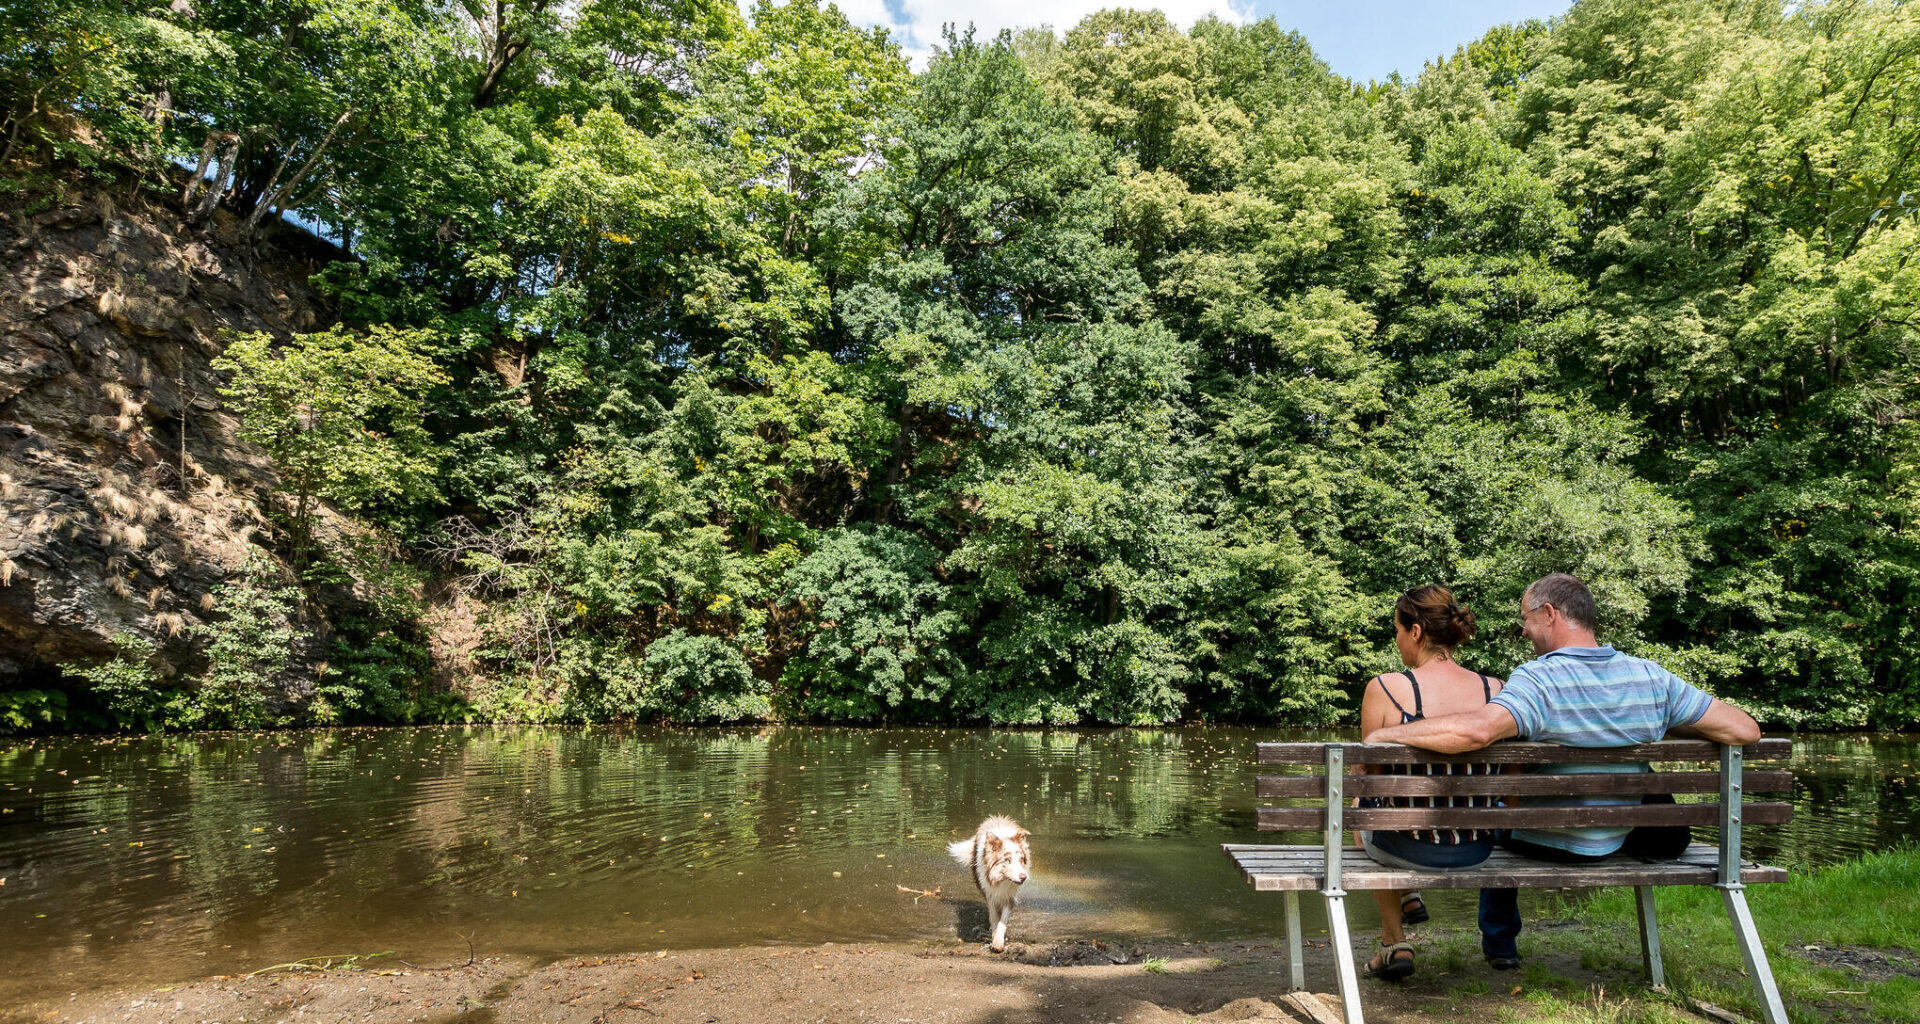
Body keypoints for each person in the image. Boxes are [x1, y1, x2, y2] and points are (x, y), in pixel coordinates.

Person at [1363, 573, 1761, 971]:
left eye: (1526, 619)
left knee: (1495, 818)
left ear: (1549, 614)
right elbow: (1745, 730)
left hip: (1543, 839)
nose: (1523, 630)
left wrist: (1389, 733)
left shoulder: (1539, 681)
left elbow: (1477, 731)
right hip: (1618, 838)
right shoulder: (1653, 678)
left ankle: (1500, 945)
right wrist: (1666, 719)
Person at [1353, 585, 1503, 981]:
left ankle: (1394, 941)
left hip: (1404, 847)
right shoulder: (1495, 689)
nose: (1397, 639)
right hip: (1478, 850)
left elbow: (1369, 783)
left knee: (1358, 810)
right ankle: (1408, 898)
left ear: (1416, 631)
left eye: (1398, 630)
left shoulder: (1384, 688)